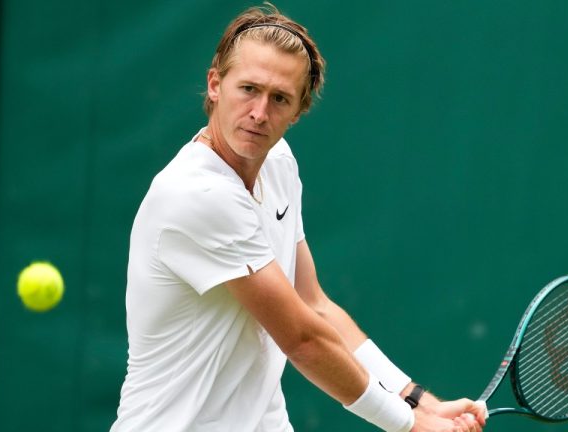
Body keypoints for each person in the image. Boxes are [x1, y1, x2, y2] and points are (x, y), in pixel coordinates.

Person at [111, 4, 488, 432]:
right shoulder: (199, 194)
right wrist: (410, 425)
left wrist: (420, 403)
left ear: (299, 110)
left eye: (279, 99)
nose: (259, 113)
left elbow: (314, 305)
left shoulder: (278, 164)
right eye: (248, 89)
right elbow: (302, 339)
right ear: (215, 84)